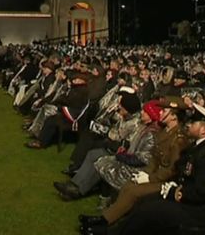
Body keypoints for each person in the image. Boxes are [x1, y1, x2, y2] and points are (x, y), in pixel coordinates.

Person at [116, 103, 205, 234]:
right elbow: (182, 168)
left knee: (150, 210)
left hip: (201, 211)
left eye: (193, 123)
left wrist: (175, 191)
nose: (188, 125)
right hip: (191, 199)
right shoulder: (199, 146)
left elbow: (202, 191)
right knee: (145, 202)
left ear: (203, 130)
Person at [80, 98, 190, 234]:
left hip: (165, 181)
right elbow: (154, 160)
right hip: (154, 174)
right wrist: (146, 173)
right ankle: (105, 220)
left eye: (165, 111)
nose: (160, 113)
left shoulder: (178, 139)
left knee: (133, 191)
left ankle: (109, 226)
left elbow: (172, 169)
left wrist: (150, 178)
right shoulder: (165, 132)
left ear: (174, 116)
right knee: (128, 186)